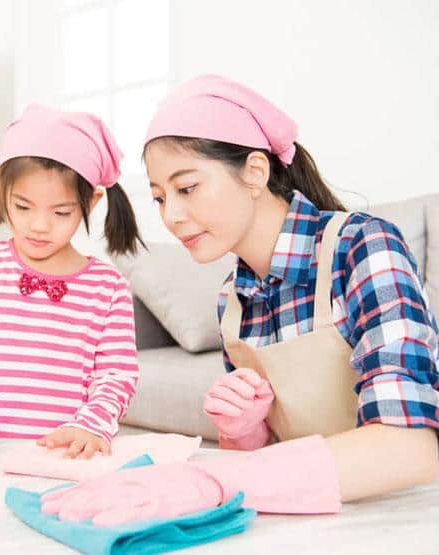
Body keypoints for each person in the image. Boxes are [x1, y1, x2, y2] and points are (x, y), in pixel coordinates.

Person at [41, 75, 438, 525]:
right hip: (310, 519)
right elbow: (271, 460)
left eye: (186, 188)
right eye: (159, 198)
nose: (171, 216)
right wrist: (243, 432)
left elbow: (411, 448)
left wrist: (212, 482)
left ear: (255, 171)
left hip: (401, 519)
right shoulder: (233, 298)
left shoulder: (363, 246)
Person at [0, 105, 143, 459]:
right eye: (23, 206)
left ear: (91, 202)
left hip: (63, 461)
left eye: (61, 212)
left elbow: (116, 376)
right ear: (1, 188)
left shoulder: (108, 288)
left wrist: (91, 425)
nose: (39, 226)